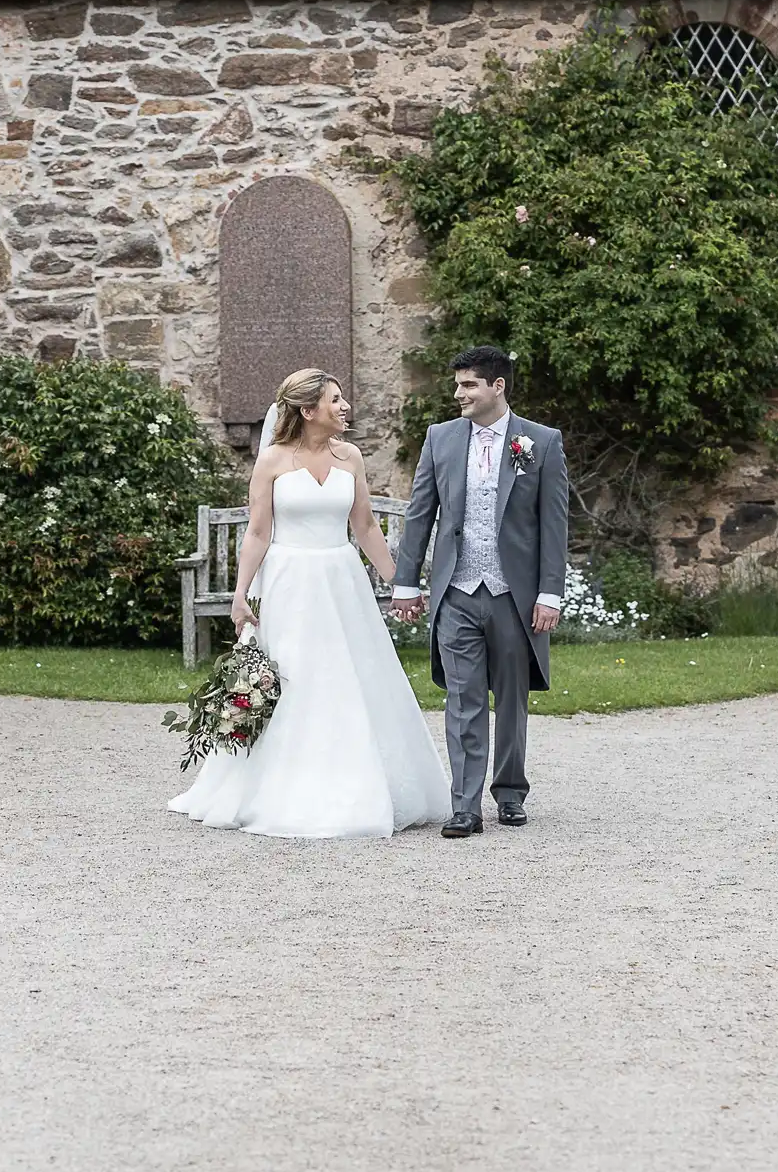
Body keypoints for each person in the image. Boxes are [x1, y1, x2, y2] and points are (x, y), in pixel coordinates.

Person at [168, 368, 450, 838]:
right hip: (290, 583)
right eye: (335, 400)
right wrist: (240, 595)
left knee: (351, 676)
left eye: (343, 399)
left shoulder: (351, 456)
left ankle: (361, 784)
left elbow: (364, 526)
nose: (345, 407)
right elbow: (257, 531)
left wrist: (401, 583)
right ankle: (279, 787)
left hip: (341, 581)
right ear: (307, 410)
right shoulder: (273, 461)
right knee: (293, 678)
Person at [391, 346, 569, 838]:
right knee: (463, 698)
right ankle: (465, 805)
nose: (459, 394)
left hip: (514, 594)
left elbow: (554, 525)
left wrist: (549, 593)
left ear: (498, 386)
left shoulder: (542, 442)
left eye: (468, 385)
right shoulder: (440, 439)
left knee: (511, 698)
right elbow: (419, 514)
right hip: (457, 591)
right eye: (457, 385)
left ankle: (510, 793)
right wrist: (406, 582)